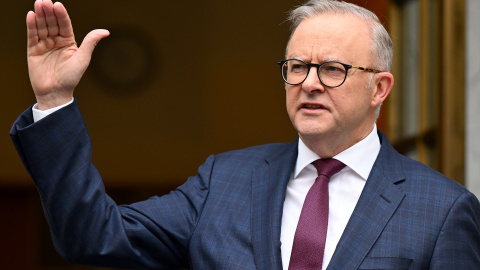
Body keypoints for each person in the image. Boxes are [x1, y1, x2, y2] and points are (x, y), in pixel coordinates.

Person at [10, 0, 480, 269]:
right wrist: (55, 101)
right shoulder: (226, 179)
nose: (309, 83)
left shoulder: (440, 211)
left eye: (332, 69)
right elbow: (94, 237)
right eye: (297, 67)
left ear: (380, 87)